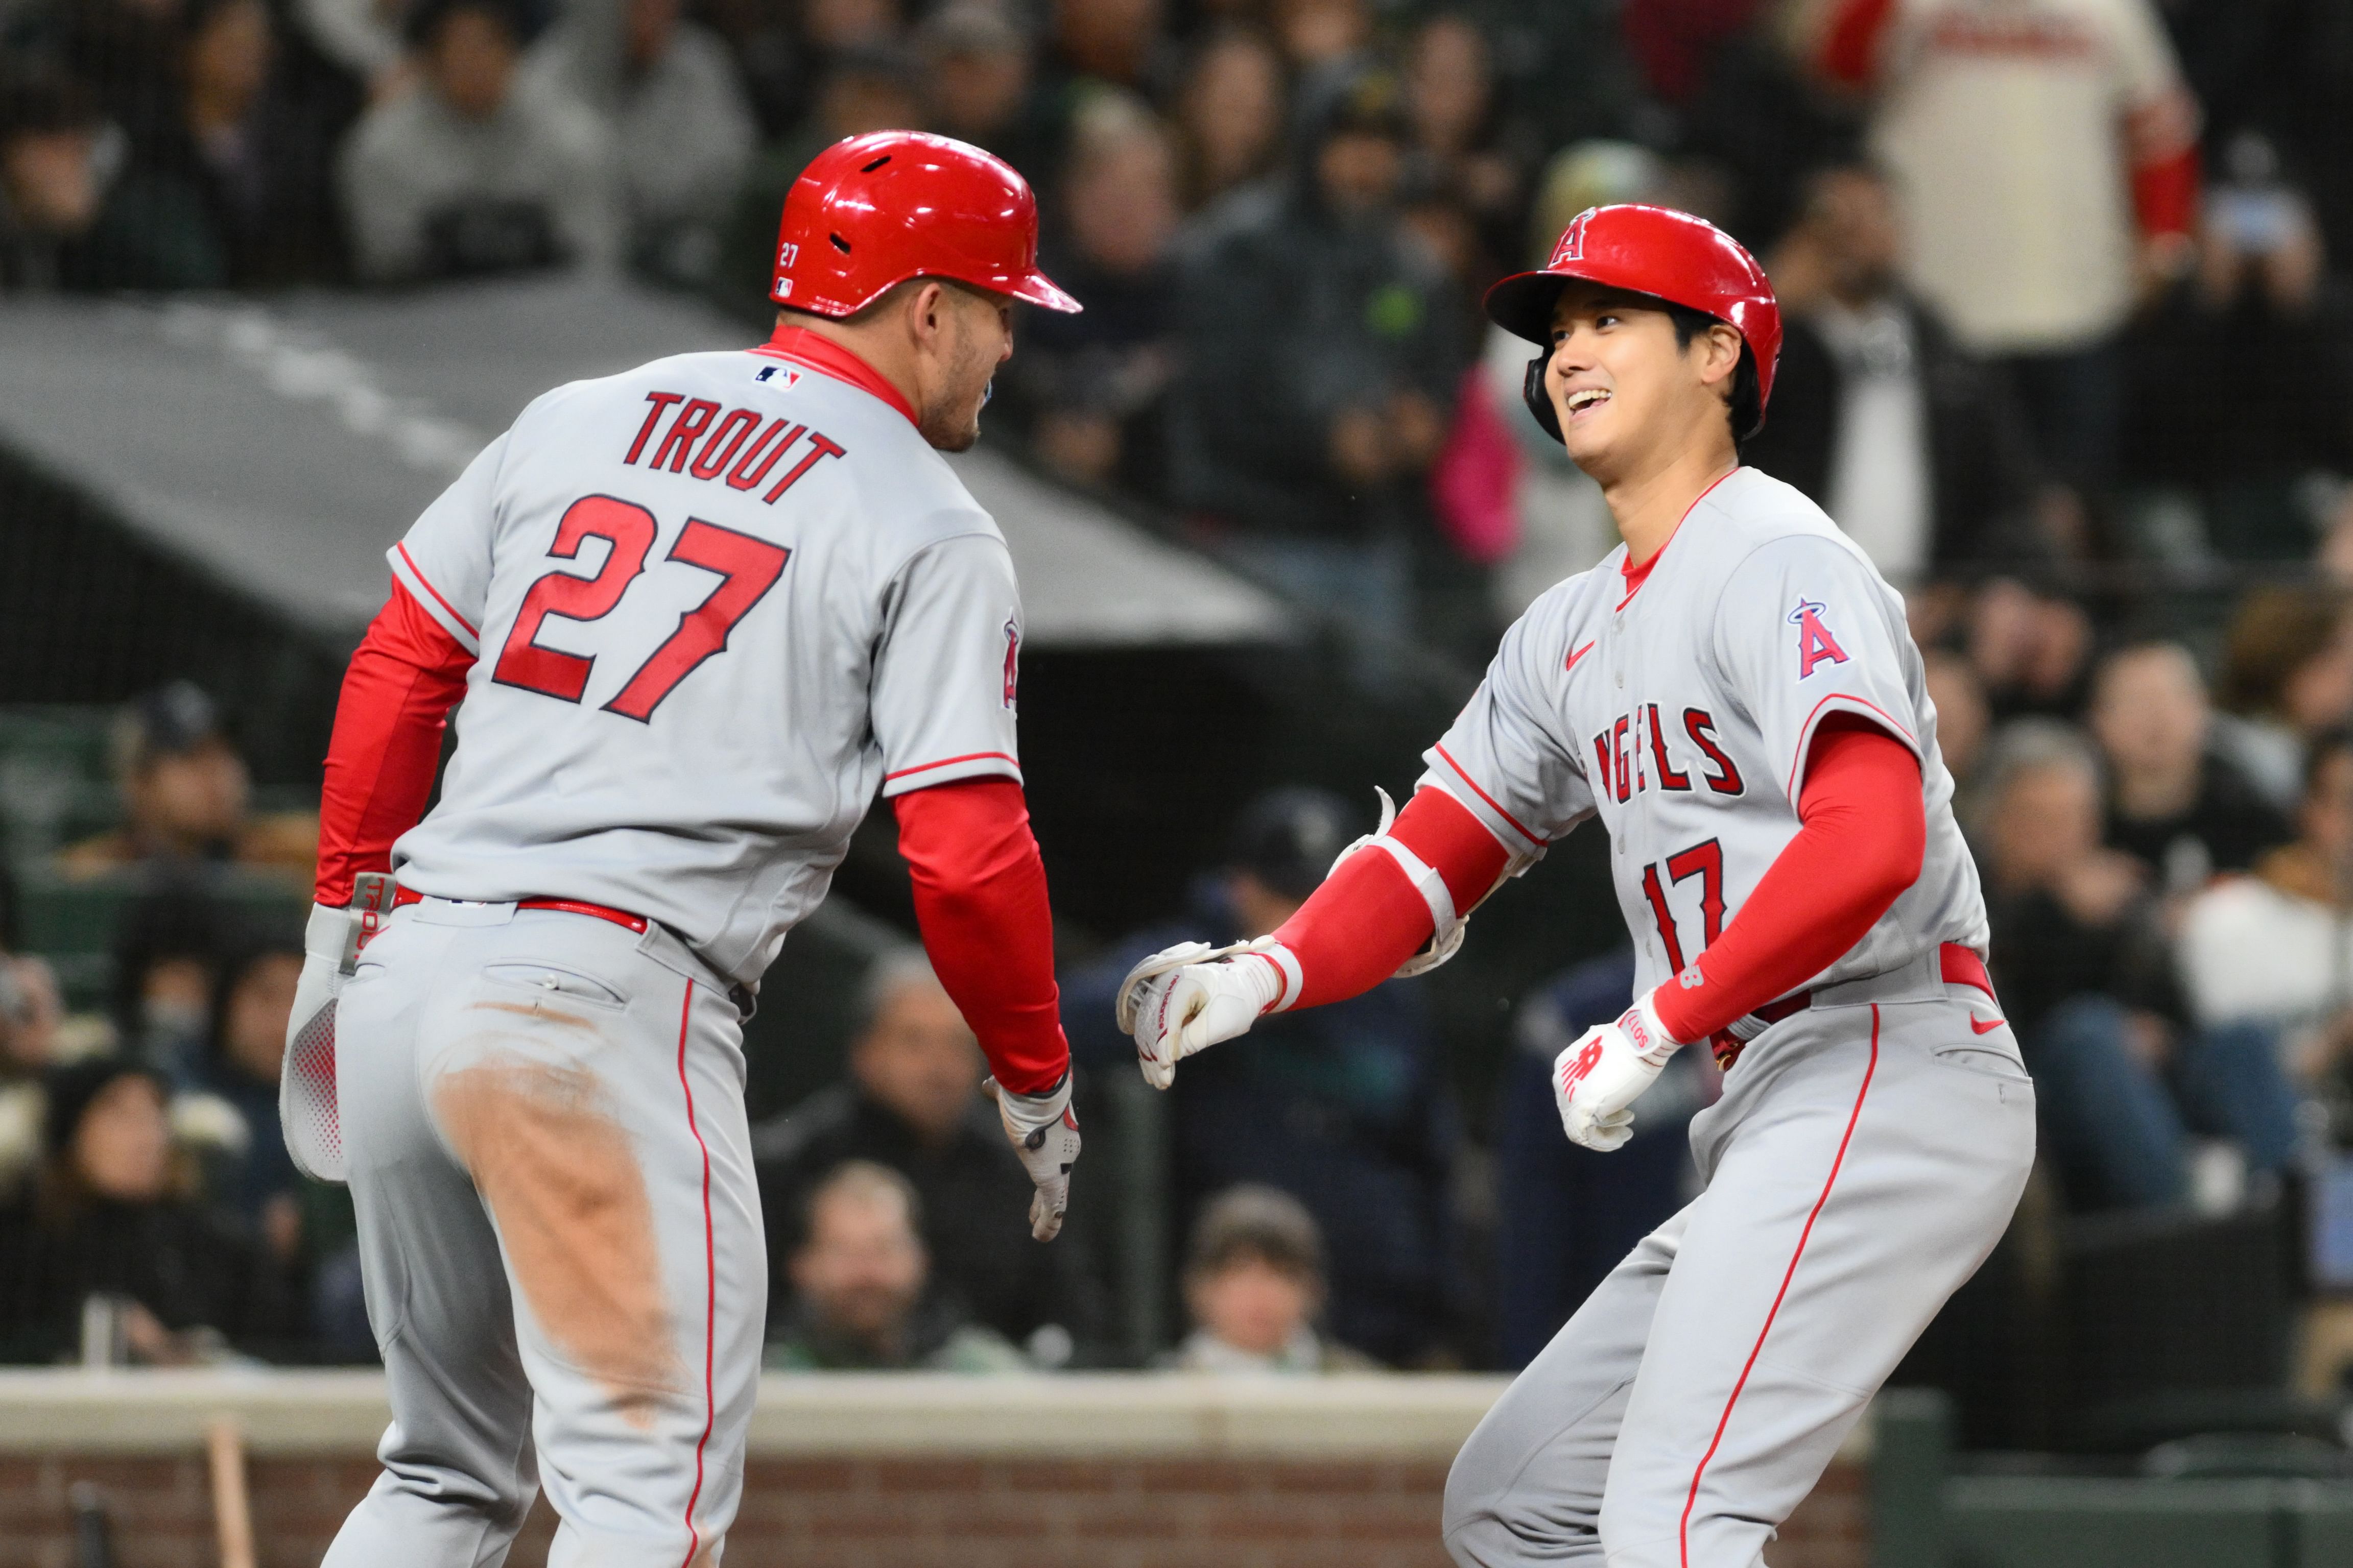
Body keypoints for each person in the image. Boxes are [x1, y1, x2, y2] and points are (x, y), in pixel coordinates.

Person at [1118, 203, 2034, 1567]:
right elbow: (1430, 850)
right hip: (1769, 1085)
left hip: (1886, 1052)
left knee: (1673, 1515)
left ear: (1716, 352)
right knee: (1511, 1498)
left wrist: (1661, 1018)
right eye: (1554, 332)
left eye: (1608, 318)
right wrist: (1266, 967)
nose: (1564, 353)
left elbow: (1870, 839)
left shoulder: (1776, 554)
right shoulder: (1568, 623)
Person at [290, 132, 1084, 1561]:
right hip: (599, 999)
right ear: (922, 308)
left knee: (440, 1474)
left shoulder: (584, 409)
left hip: (412, 969)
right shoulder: (925, 514)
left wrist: (340, 918)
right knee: (642, 1501)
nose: (1006, 344)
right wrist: (1030, 1071)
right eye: (998, 307)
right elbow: (963, 853)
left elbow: (403, 663)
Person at [1062, 787, 1461, 1367]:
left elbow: (1432, 1163)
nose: (1300, 915)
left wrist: (1440, 1312)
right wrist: (1235, 980)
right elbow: (1073, 1022)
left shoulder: (1390, 996)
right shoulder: (1192, 964)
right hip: (1220, 1327)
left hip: (1374, 1327)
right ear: (1239, 888)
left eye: (1320, 896)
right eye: (1285, 894)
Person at [1793, 0, 2201, 494]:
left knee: (2071, 515)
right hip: (1933, 306)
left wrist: (2164, 241)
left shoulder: (2110, 9)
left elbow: (2161, 129)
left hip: (2078, 302)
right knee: (1936, 513)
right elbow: (1836, 74)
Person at [1166, 62, 1460, 645]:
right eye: (1349, 140)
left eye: (1383, 144)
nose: (1366, 162)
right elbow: (1215, 401)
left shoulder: (1410, 267)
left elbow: (1436, 379)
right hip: (1257, 537)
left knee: (1371, 727)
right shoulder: (1238, 249)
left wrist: (1421, 425)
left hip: (1370, 543)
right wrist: (1323, 441)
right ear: (1309, 144)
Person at [1976, 720, 2295, 1211]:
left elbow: (2173, 1006)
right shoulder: (1974, 902)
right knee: (2091, 1035)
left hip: (2143, 1075)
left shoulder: (2116, 890)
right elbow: (2004, 1014)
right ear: (1997, 822)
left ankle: (2302, 1225)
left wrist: (2156, 1028)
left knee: (2243, 1040)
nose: (2066, 839)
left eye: (2077, 819)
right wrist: (2055, 913)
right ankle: (2181, 1222)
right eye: (2043, 820)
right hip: (2037, 1090)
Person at [752, 951, 1101, 1356]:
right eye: (914, 1042)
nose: (939, 1067)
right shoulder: (792, 1165)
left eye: (957, 1044)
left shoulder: (1027, 1173)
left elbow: (1070, 1317)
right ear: (865, 1053)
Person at [1744, 160, 2046, 583]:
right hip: (1789, 602)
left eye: (1873, 215)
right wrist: (1767, 304)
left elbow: (2006, 492)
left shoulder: (1944, 350)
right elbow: (1709, 439)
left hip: (1925, 612)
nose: (1854, 235)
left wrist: (1961, 593)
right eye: (1835, 218)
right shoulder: (1772, 348)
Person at [1491, 948, 1707, 1372]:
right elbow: (1534, 1217)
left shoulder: (1817, 1006)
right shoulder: (1572, 1020)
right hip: (1615, 1334)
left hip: (1762, 1322)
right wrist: (1526, 1360)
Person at [0, 1058, 296, 1364]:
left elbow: (286, 1356)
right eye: (119, 1115)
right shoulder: (24, 1244)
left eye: (155, 1112)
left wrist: (182, 1353)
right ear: (72, 1133)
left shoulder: (217, 1244)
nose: (146, 1135)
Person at [335, 0, 615, 282]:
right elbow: (385, 268)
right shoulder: (381, 150)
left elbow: (593, 258)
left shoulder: (573, 139)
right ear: (429, 62)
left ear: (514, 53)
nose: (477, 63)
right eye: (462, 50)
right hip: (431, 311)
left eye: (489, 45)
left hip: (552, 308)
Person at [2178, 728, 2353, 1132]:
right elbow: (2232, 1069)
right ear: (2309, 809)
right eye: (2347, 803)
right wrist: (2334, 1040)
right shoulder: (2229, 917)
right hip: (2252, 1146)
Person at [519, 0, 754, 286]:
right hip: (564, 263)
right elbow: (536, 174)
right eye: (640, 6)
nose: (655, 15)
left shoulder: (701, 63)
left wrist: (642, 189)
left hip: (680, 252)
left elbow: (729, 165)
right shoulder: (549, 71)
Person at [766, 1160, 1029, 1372]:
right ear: (801, 1267)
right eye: (843, 1252)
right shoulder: (763, 1384)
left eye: (884, 1251)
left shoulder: (984, 1378)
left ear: (921, 1260)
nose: (866, 1274)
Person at [58, 682, 317, 882]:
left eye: (226, 751)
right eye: (192, 757)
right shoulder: (93, 876)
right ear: (140, 782)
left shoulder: (292, 859)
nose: (218, 771)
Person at [2087, 641, 2289, 892]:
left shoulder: (2251, 814)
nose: (2157, 718)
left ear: (2204, 706)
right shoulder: (2074, 821)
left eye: (2172, 697)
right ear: (2098, 719)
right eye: (2136, 702)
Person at [1159, 1184, 1376, 1373]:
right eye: (1241, 1273)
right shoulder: (1159, 1388)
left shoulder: (1363, 1386)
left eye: (1281, 1274)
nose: (1261, 1294)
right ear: (1200, 1287)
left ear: (1313, 1290)